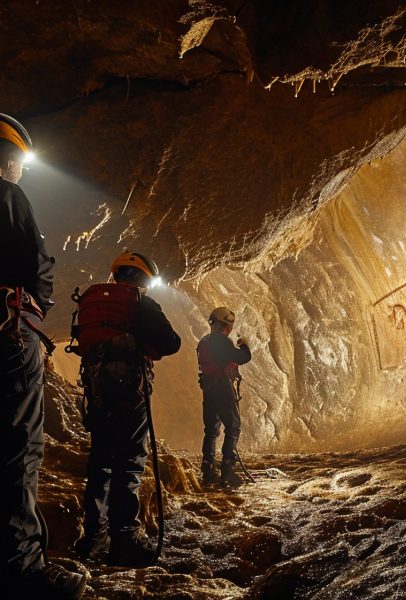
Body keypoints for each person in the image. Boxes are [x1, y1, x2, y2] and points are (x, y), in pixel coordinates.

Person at [0, 114, 86, 598]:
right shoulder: (7, 196)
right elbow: (37, 270)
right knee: (15, 450)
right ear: (8, 158)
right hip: (7, 341)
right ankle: (22, 573)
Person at [72, 252, 181, 566]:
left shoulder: (94, 303)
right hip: (129, 388)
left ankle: (93, 537)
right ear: (144, 278)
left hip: (96, 387)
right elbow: (172, 342)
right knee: (130, 461)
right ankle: (125, 539)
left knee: (100, 461)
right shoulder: (141, 303)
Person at [197, 307, 251, 486]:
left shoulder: (204, 341)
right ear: (226, 326)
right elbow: (242, 357)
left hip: (209, 388)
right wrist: (245, 345)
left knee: (211, 429)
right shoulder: (222, 342)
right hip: (222, 387)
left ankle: (208, 469)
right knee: (233, 426)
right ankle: (227, 472)